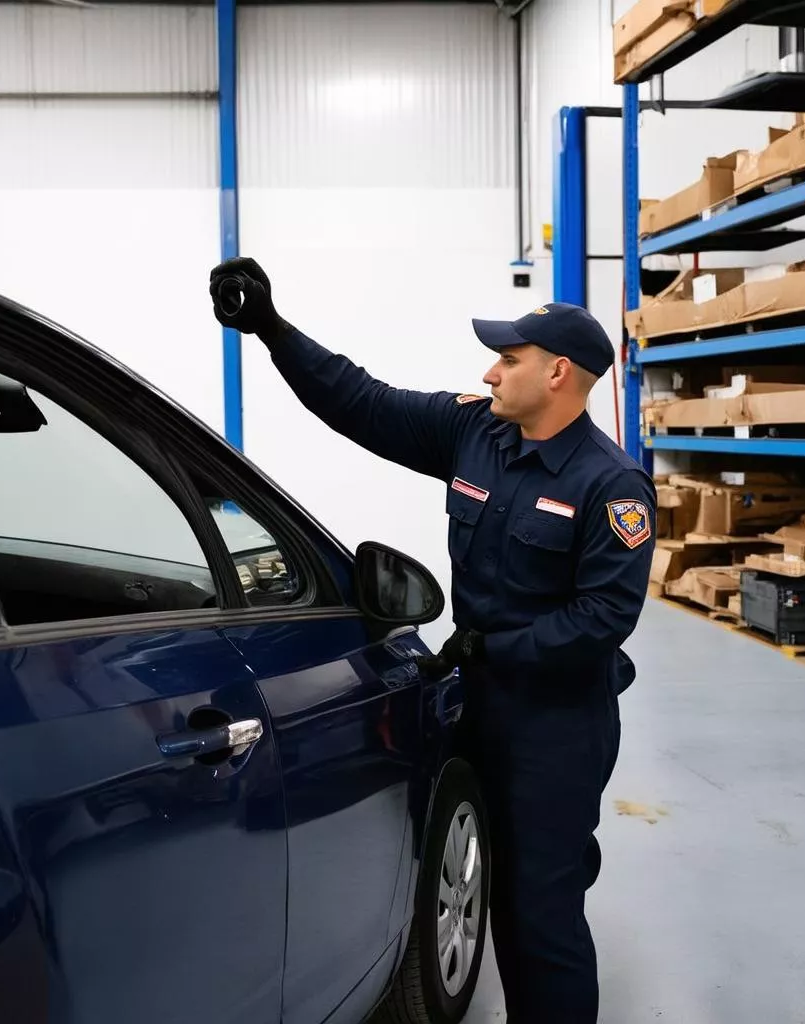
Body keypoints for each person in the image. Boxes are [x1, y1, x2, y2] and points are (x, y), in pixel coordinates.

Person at [209, 257, 656, 1023]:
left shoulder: (610, 487)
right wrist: (274, 332)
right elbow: (364, 402)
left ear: (558, 375)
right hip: (478, 701)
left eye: (508, 360)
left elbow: (602, 621)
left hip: (557, 726)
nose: (490, 372)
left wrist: (497, 649)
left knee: (538, 909)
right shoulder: (475, 433)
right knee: (486, 876)